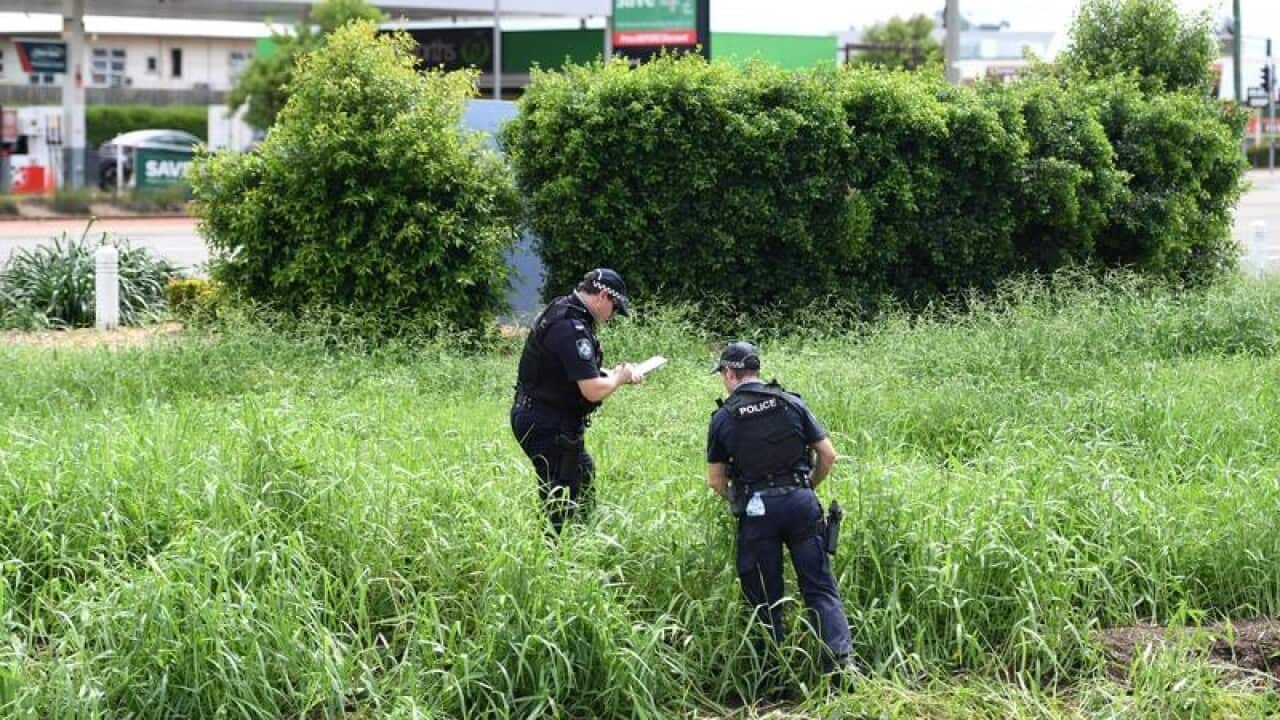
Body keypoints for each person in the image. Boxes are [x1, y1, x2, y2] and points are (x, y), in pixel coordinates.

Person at [705, 341, 854, 679]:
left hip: (756, 510)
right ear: (755, 370)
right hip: (801, 502)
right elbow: (828, 455)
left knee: (763, 595)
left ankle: (771, 673)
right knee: (819, 588)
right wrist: (807, 488)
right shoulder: (791, 402)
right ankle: (840, 667)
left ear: (730, 373)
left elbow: (715, 480)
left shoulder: (724, 417)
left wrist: (738, 501)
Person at [511, 268, 644, 532]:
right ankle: (557, 556)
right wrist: (619, 378)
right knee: (562, 495)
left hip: (544, 415)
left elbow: (566, 372)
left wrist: (614, 375)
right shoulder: (570, 326)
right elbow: (592, 390)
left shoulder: (565, 308)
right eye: (615, 308)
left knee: (580, 478)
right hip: (546, 422)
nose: (613, 315)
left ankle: (578, 544)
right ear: (603, 296)